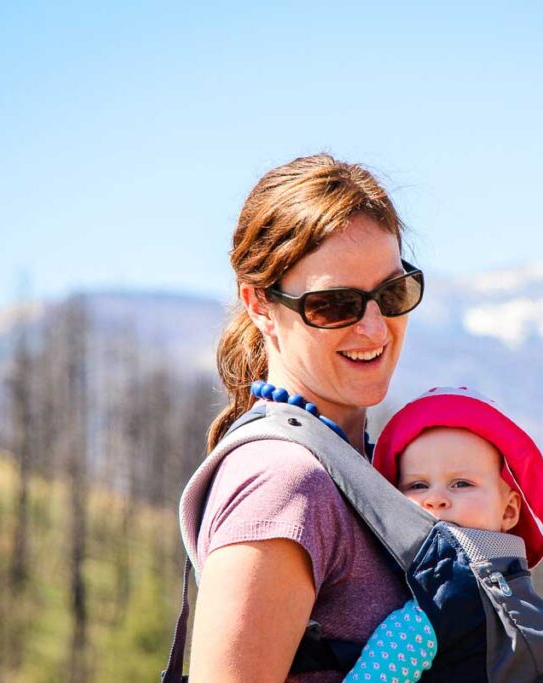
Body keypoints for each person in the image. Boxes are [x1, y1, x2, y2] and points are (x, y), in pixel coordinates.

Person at [184, 154, 424, 682]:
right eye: (335, 305)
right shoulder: (285, 483)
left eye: (391, 294)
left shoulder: (366, 471)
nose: (374, 329)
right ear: (260, 305)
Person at [342, 387, 543, 683]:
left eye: (461, 483)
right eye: (417, 485)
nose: (435, 499)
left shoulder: (444, 592)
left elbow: (375, 674)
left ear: (509, 511)